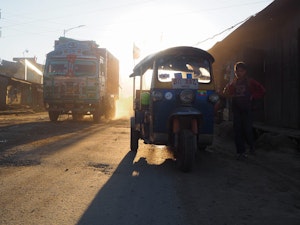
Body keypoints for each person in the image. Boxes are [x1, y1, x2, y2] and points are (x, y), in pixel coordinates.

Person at [223, 62, 265, 159]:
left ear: (245, 72)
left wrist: (253, 96)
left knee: (247, 130)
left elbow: (262, 90)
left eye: (241, 71)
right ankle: (240, 152)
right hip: (236, 109)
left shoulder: (250, 82)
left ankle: (251, 147)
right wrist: (230, 87)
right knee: (237, 130)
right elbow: (226, 92)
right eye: (237, 71)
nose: (239, 73)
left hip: (247, 109)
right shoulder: (234, 82)